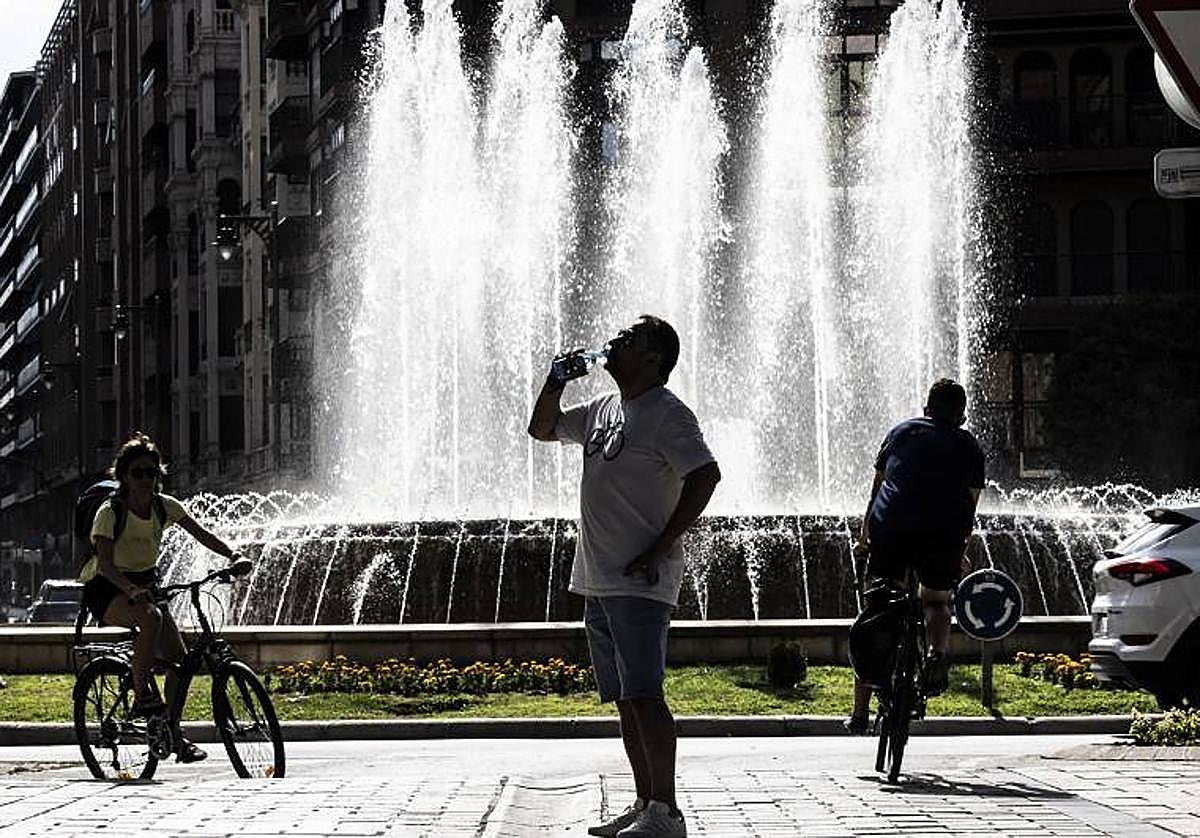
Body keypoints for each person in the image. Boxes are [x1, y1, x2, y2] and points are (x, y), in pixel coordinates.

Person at [528, 315, 721, 838]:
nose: (614, 341)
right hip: (598, 576)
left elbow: (706, 475)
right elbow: (541, 429)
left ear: (654, 359)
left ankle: (667, 811)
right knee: (625, 700)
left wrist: (662, 545)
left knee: (646, 694)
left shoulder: (667, 415)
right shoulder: (603, 409)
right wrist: (555, 381)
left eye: (629, 339)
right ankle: (643, 803)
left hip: (640, 580)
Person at [79, 432, 249, 762]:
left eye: (152, 473)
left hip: (146, 585)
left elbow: (203, 535)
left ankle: (171, 732)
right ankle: (142, 696)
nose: (146, 480)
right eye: (138, 473)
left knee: (182, 663)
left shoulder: (164, 506)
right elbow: (105, 564)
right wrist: (129, 589)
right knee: (151, 617)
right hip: (108, 587)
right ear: (124, 476)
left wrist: (233, 555)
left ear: (160, 475)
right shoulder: (110, 512)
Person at [846, 378, 985, 735]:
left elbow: (878, 489)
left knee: (876, 611)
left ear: (926, 408)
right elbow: (968, 507)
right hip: (943, 535)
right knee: (936, 601)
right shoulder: (970, 446)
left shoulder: (901, 432)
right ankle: (937, 655)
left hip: (892, 530)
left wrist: (865, 538)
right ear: (962, 415)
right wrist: (960, 550)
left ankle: (859, 713)